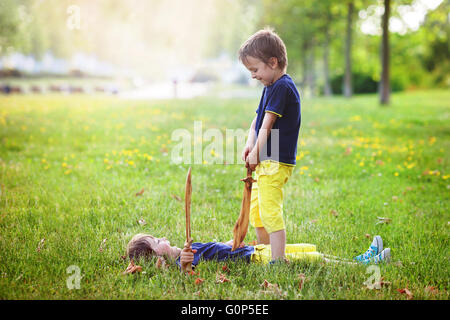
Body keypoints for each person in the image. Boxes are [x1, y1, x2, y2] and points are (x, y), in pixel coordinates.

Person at [238, 28, 301, 263]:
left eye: (255, 69)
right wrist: (249, 143)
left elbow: (268, 122)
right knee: (257, 212)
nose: (253, 75)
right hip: (265, 160)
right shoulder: (269, 87)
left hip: (276, 161)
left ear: (273, 62)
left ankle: (278, 260)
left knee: (270, 210)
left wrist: (256, 151)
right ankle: (265, 252)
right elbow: (257, 119)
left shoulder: (283, 86)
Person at [124, 233, 391, 273]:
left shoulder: (188, 250)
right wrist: (183, 265)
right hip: (257, 258)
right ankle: (366, 265)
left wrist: (233, 240)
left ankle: (359, 260)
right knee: (315, 259)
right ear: (158, 259)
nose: (162, 237)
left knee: (310, 250)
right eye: (156, 240)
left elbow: (218, 251)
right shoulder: (185, 260)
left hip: (254, 249)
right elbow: (187, 273)